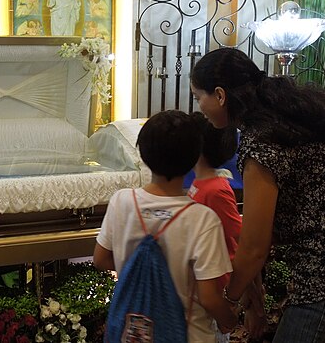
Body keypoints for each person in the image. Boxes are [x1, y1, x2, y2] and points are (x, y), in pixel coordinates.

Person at [191, 47, 325, 343]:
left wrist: (228, 302)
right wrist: (252, 296)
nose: (199, 108)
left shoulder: (261, 141)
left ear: (219, 95)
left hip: (323, 277)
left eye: (197, 98)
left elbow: (255, 245)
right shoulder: (285, 118)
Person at [94, 110, 238, 342]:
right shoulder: (202, 219)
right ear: (193, 157)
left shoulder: (121, 201)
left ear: (143, 152)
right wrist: (230, 320)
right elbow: (209, 298)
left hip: (132, 332)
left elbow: (100, 259)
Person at [189, 111, 266, 341]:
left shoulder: (216, 189)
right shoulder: (200, 184)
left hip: (217, 292)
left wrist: (253, 302)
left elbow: (238, 244)